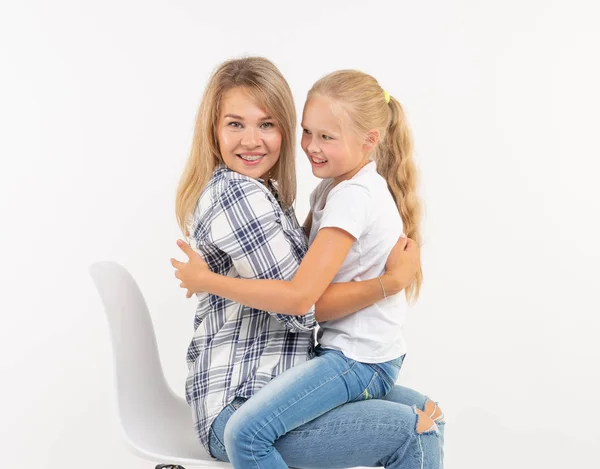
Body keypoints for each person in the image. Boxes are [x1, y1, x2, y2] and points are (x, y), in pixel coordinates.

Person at [172, 57, 443, 468]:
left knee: (428, 417)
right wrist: (389, 283)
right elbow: (302, 304)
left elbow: (303, 283)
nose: (251, 140)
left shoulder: (308, 193)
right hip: (241, 397)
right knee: (414, 427)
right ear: (212, 129)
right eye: (235, 124)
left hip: (308, 371)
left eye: (266, 124)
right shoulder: (240, 194)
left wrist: (209, 279)